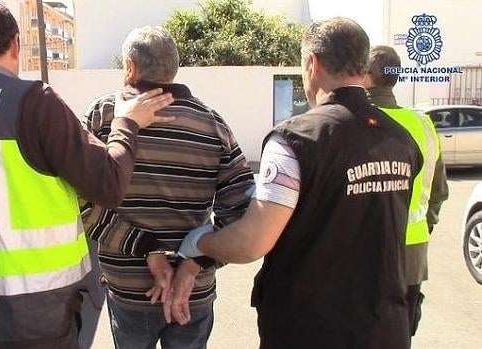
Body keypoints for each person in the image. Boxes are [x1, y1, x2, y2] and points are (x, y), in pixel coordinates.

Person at [0, 1, 174, 348]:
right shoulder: (33, 104)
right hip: (37, 317)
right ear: (17, 44)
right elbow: (108, 183)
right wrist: (127, 123)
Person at [178, 17, 423, 349]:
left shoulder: (295, 139)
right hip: (385, 327)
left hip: (310, 328)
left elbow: (252, 242)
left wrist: (199, 243)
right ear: (362, 66)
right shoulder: (402, 139)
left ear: (312, 63)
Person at [80, 26, 255, 349]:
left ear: (130, 68)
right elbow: (243, 213)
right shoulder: (211, 123)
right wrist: (193, 265)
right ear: (173, 71)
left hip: (129, 290)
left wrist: (146, 248)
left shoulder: (103, 117)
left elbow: (80, 203)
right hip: (195, 291)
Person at [364, 45, 449, 338]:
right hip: (413, 251)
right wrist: (424, 228)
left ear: (365, 76)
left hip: (366, 250)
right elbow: (439, 191)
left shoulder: (354, 121)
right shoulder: (424, 124)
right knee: (400, 332)